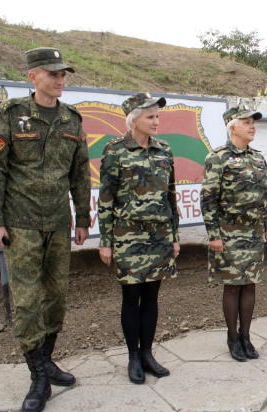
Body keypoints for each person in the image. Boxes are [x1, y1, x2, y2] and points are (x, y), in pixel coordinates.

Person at [0, 47, 90, 412]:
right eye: (53, 73)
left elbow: (80, 173)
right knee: (26, 301)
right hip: (20, 223)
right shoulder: (11, 114)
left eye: (63, 74)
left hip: (58, 223)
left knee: (56, 297)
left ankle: (46, 359)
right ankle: (39, 376)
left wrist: (83, 218)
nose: (60, 79)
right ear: (33, 77)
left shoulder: (72, 119)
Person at [98, 92, 180, 384]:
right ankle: (133, 356)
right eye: (150, 117)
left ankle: (147, 353)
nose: (156, 121)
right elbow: (106, 198)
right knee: (131, 297)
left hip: (159, 235)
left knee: (152, 296)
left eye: (157, 116)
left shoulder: (164, 149)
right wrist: (105, 241)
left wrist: (174, 236)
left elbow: (171, 195)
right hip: (128, 236)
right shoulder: (115, 150)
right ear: (134, 120)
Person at [200, 105, 267, 362]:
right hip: (229, 232)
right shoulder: (218, 157)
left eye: (253, 122)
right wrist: (214, 235)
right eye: (247, 122)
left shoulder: (258, 158)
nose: (252, 126)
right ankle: (232, 337)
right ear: (232, 127)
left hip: (253, 233)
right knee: (232, 287)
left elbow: (265, 195)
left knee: (250, 285)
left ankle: (246, 336)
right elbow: (208, 199)